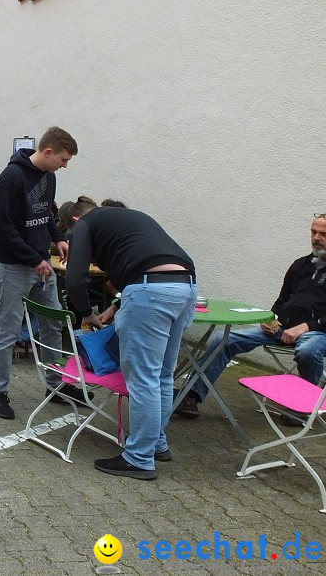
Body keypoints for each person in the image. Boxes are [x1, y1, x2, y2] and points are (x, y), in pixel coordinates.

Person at [64, 198, 196, 479]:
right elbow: (134, 266)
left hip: (151, 291)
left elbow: (74, 280)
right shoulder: (127, 218)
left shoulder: (84, 226)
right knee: (161, 375)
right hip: (186, 287)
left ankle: (138, 458)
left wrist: (86, 313)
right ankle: (156, 443)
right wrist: (116, 306)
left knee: (143, 378)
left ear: (74, 221)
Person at [175, 214, 326, 421]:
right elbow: (282, 301)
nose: (316, 238)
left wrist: (306, 327)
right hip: (283, 329)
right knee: (223, 339)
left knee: (308, 350)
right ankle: (190, 396)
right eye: (313, 232)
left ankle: (303, 406)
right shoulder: (301, 265)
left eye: (323, 234)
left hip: (318, 333)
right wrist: (271, 319)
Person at [0, 126, 78, 421]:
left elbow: (46, 215)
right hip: (14, 266)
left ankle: (55, 385)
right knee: (7, 331)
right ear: (48, 152)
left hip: (41, 266)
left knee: (52, 324)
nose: (64, 166)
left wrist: (59, 236)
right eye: (63, 160)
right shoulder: (11, 178)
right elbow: (3, 228)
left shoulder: (47, 177)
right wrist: (34, 258)